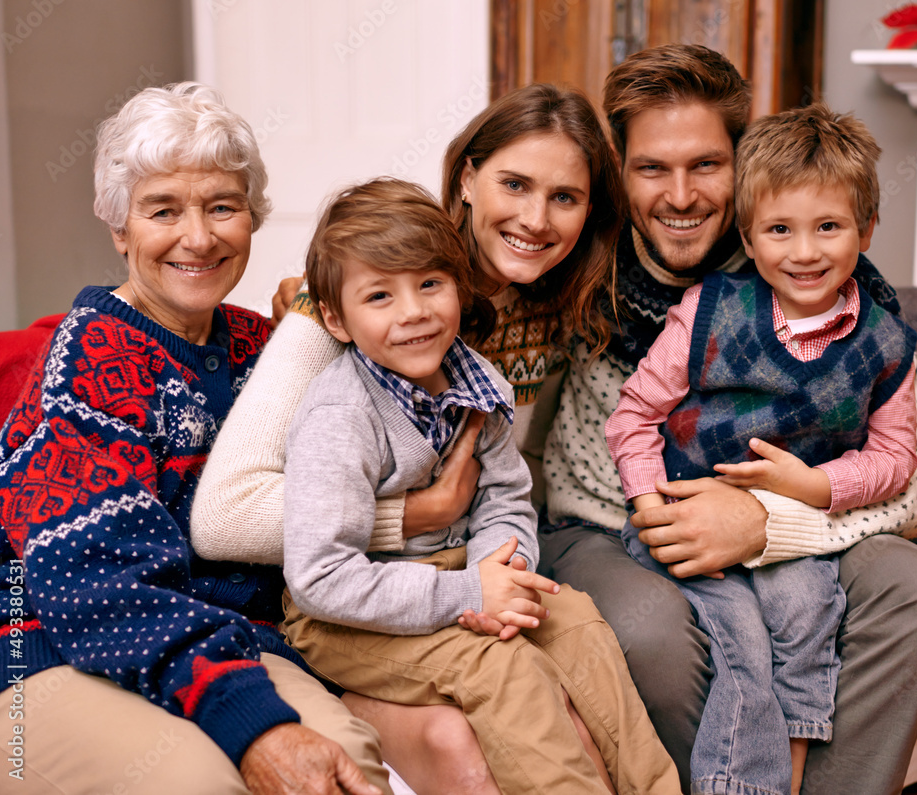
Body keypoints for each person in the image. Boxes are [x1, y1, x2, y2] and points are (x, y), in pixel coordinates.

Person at [538, 44, 917, 794]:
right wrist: (320, 297)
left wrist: (769, 521)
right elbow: (451, 282)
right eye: (652, 168)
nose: (680, 195)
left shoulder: (817, 277)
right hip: (605, 523)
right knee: (649, 627)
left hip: (800, 515)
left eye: (705, 165)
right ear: (618, 172)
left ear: (745, 164)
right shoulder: (576, 264)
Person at [191, 82, 629, 793]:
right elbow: (224, 517)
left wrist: (498, 560)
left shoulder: (559, 304)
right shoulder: (348, 294)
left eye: (565, 198)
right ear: (467, 178)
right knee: (488, 723)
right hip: (346, 600)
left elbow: (518, 476)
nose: (535, 218)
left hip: (466, 562)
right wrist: (417, 514)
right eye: (514, 184)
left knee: (577, 682)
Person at [0, 82, 389, 795]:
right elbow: (96, 582)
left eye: (222, 207)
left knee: (346, 768)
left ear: (252, 217)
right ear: (120, 229)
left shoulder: (262, 347)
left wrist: (319, 317)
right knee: (199, 783)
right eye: (163, 210)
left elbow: (359, 463)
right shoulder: (92, 354)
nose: (199, 237)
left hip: (221, 640)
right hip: (45, 644)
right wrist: (251, 719)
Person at [280, 177, 677, 794]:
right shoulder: (342, 415)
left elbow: (505, 496)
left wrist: (503, 569)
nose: (413, 312)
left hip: (459, 575)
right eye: (380, 296)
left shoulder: (475, 379)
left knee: (574, 621)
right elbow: (321, 580)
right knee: (504, 667)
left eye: (430, 285)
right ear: (335, 317)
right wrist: (471, 593)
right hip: (347, 617)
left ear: (458, 289)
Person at [604, 103, 917, 795]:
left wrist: (816, 488)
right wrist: (652, 503)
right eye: (780, 229)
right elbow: (631, 416)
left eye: (829, 227)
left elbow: (899, 459)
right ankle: (738, 786)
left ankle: (793, 780)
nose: (804, 252)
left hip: (790, 534)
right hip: (683, 517)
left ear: (866, 229)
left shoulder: (886, 344)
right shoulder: (708, 312)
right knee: (741, 639)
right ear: (748, 235)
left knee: (810, 619)